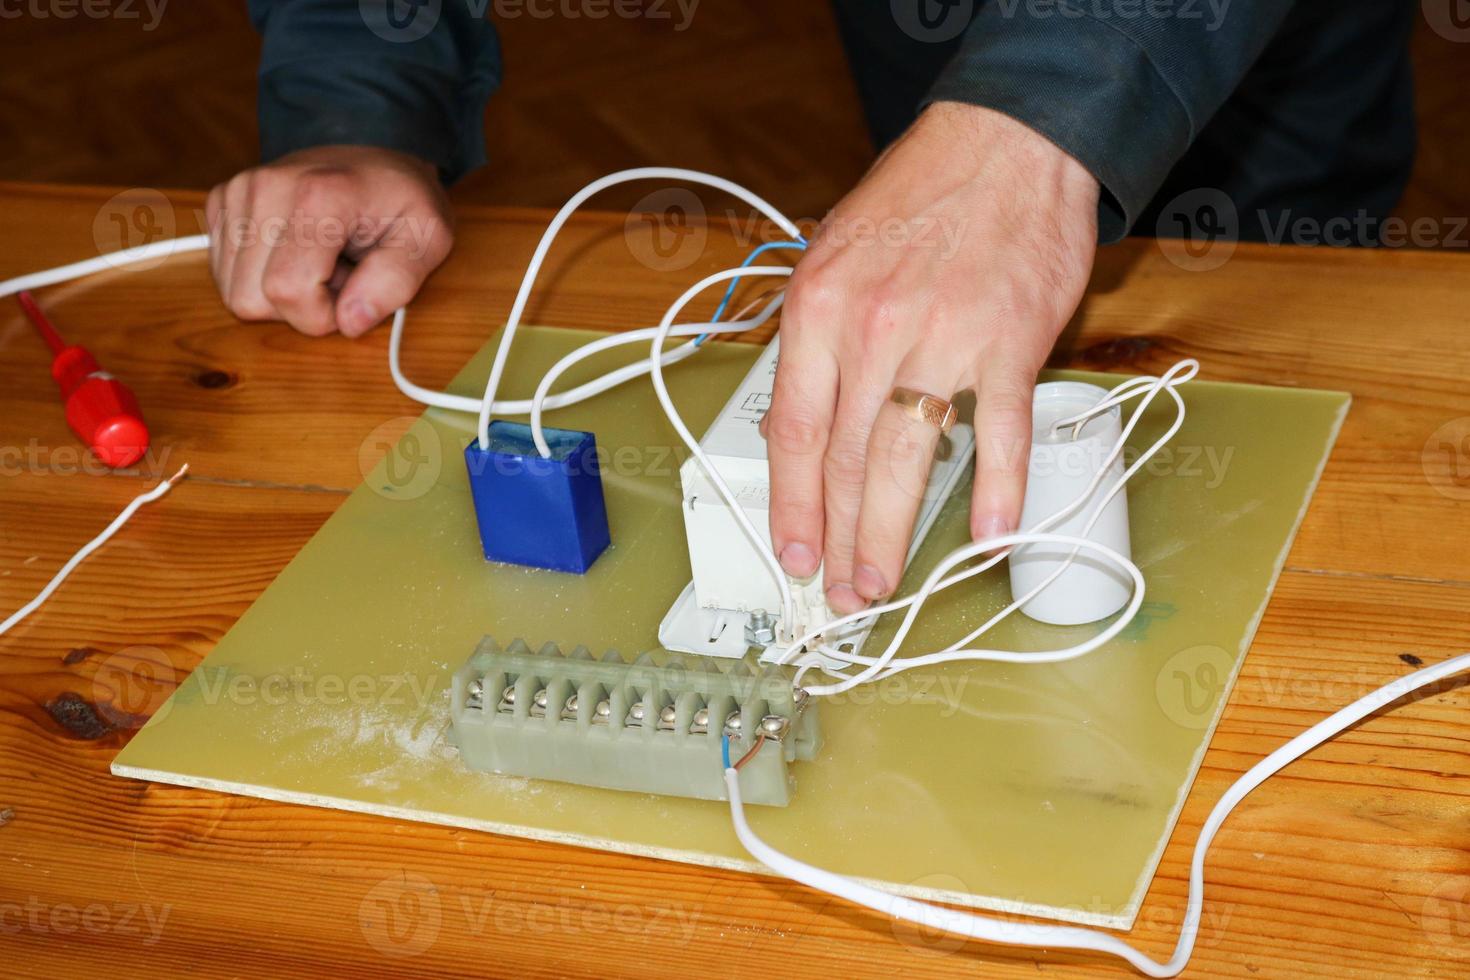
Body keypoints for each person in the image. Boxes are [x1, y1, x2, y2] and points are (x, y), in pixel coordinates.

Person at [211, 1, 1415, 615]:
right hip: (934, 44)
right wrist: (355, 93)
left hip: (1241, 78)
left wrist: (1043, 116)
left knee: (1301, 487)